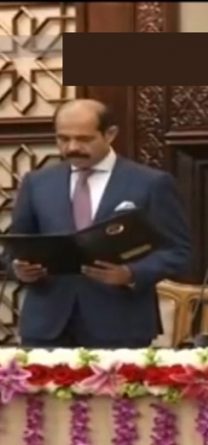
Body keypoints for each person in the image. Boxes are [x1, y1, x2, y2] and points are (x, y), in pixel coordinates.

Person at [7, 99, 192, 348]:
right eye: (63, 139)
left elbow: (178, 251)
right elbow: (15, 247)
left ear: (110, 134)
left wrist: (131, 274)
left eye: (84, 139)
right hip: (46, 326)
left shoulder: (150, 183)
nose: (72, 147)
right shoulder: (37, 183)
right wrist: (19, 269)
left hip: (120, 324)